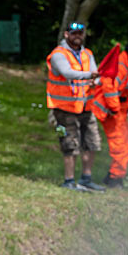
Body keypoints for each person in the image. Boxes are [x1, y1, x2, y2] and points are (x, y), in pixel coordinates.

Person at [46, 22, 106, 191]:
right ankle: (69, 181)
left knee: (92, 142)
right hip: (62, 110)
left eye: (80, 33)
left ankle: (86, 179)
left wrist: (97, 80)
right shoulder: (58, 54)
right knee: (68, 144)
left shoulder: (88, 54)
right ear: (66, 34)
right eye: (74, 33)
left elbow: (96, 75)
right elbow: (67, 73)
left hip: (86, 106)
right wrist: (90, 75)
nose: (77, 36)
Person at [90, 35, 128, 189]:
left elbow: (123, 92)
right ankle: (115, 180)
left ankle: (111, 176)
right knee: (120, 147)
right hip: (110, 113)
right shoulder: (121, 66)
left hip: (119, 112)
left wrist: (126, 109)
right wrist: (114, 108)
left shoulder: (126, 66)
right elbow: (109, 86)